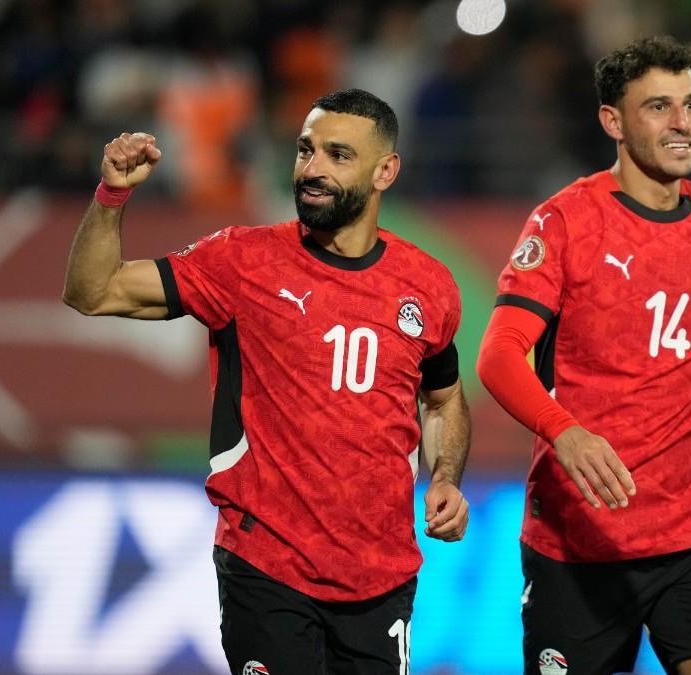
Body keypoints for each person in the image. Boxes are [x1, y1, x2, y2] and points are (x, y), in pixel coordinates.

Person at [62, 89, 471, 674]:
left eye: (338, 155)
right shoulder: (242, 261)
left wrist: (448, 478)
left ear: (385, 171)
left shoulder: (428, 286)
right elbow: (92, 291)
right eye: (306, 150)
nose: (313, 169)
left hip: (381, 574)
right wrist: (112, 195)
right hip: (266, 564)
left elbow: (444, 399)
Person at [476, 36, 691, 675]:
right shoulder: (564, 222)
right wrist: (565, 433)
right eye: (659, 107)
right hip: (580, 536)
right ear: (613, 122)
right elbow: (499, 355)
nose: (682, 123)